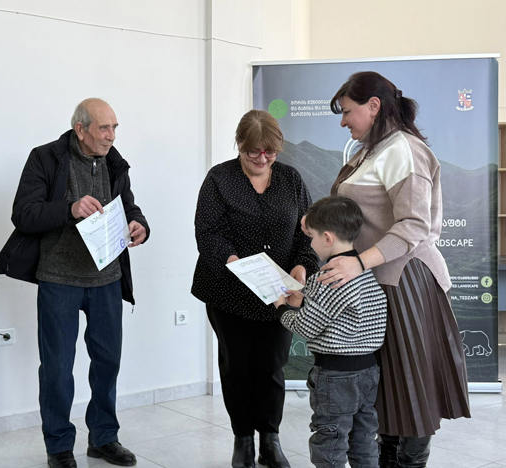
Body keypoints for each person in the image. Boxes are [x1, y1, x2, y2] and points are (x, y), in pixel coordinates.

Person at [316, 71, 471, 468]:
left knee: (412, 390)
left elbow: (414, 225)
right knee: (384, 391)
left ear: (373, 106)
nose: (343, 121)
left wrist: (358, 262)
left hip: (404, 283)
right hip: (377, 281)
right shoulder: (370, 150)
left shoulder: (403, 149)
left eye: (347, 111)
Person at [0, 98, 149, 468]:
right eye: (103, 128)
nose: (111, 136)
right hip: (59, 280)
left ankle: (104, 438)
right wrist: (70, 209)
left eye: (114, 128)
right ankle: (59, 446)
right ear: (81, 129)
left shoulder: (114, 162)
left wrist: (139, 223)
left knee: (108, 362)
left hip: (107, 279)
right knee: (58, 368)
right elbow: (24, 214)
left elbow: (127, 205)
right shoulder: (45, 158)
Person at [192, 109, 319, 468]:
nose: (262, 159)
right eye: (253, 151)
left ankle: (270, 439)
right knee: (237, 367)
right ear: (239, 144)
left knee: (272, 367)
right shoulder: (219, 179)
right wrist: (235, 263)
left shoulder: (291, 179)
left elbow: (307, 233)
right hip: (229, 292)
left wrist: (301, 267)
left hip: (279, 295)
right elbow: (207, 233)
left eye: (270, 152)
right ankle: (243, 440)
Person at [273, 196, 387, 468]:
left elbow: (305, 327)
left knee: (330, 442)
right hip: (369, 371)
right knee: (364, 440)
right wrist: (305, 302)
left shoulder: (326, 278)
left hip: (336, 375)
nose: (310, 244)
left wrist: (281, 308)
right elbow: (340, 312)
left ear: (327, 238)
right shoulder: (365, 273)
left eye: (311, 237)